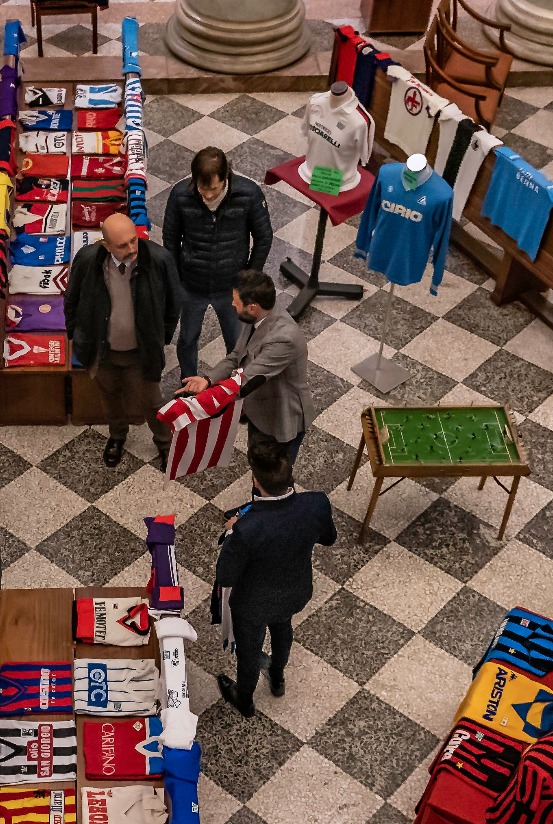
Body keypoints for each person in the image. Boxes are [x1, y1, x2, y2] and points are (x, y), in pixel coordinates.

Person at [213, 439, 336, 718]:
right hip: (295, 591)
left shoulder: (246, 529)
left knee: (249, 651)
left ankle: (245, 699)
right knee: (282, 629)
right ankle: (277, 677)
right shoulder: (317, 503)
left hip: (252, 604)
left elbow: (225, 576)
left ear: (255, 481)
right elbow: (329, 538)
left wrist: (232, 531)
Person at [65, 213, 181, 468]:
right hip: (103, 351)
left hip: (142, 353)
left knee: (152, 403)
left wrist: (161, 338)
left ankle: (164, 443)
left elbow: (174, 303)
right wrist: (75, 334)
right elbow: (71, 299)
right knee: (110, 397)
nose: (131, 249)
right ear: (105, 245)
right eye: (122, 245)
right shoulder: (87, 260)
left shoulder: (159, 259)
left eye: (133, 240)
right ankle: (117, 436)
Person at [178, 270, 314, 462]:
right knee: (256, 463)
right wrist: (208, 379)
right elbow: (237, 356)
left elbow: (246, 380)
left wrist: (202, 402)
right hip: (259, 408)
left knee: (275, 473)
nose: (232, 304)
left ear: (252, 307)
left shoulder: (283, 339)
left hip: (281, 417)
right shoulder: (256, 317)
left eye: (236, 301)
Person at [162, 147, 273, 380]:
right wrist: (176, 277)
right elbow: (170, 239)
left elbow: (263, 237)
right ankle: (187, 383)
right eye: (202, 188)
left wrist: (249, 278)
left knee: (236, 342)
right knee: (187, 338)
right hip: (191, 283)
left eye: (213, 189)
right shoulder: (180, 195)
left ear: (226, 177)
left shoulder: (249, 194)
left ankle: (233, 385)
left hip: (231, 285)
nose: (208, 195)